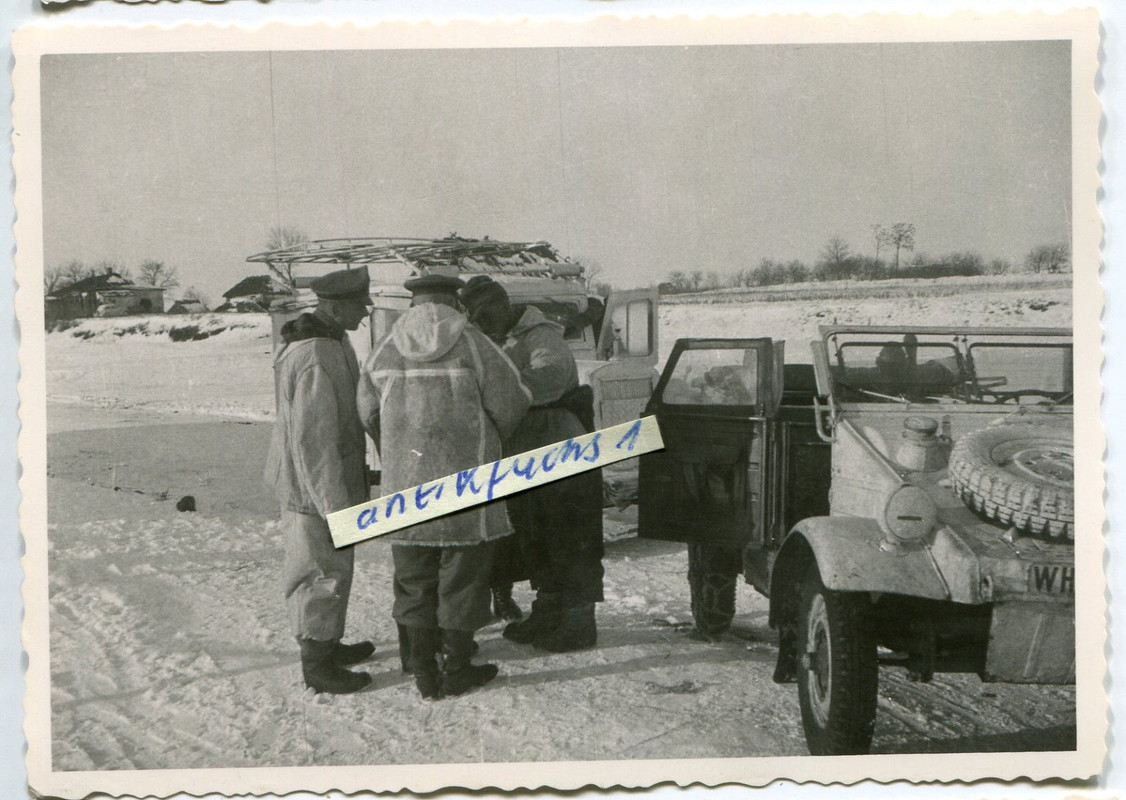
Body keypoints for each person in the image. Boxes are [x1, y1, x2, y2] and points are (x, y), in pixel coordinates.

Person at [356, 264, 531, 700]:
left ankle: (422, 672)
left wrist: (396, 450)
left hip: (406, 487)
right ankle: (456, 669)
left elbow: (367, 412)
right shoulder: (474, 343)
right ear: (454, 300)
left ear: (413, 302)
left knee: (413, 580)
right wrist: (485, 442)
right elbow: (512, 402)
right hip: (465, 485)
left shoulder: (385, 349)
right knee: (463, 581)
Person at [459, 275, 605, 653]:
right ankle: (548, 610)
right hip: (527, 454)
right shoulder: (500, 338)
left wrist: (489, 387)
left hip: (559, 446)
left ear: (502, 306)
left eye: (484, 316)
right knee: (537, 537)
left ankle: (579, 622)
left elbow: (548, 380)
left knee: (569, 535)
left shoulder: (542, 335)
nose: (481, 325)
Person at [263, 266, 375, 695]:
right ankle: (317, 662)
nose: (365, 312)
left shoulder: (333, 343)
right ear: (334, 306)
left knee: (334, 567)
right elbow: (314, 440)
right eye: (359, 304)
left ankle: (327, 643)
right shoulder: (316, 354)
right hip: (314, 486)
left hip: (322, 482)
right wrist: (333, 504)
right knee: (318, 570)